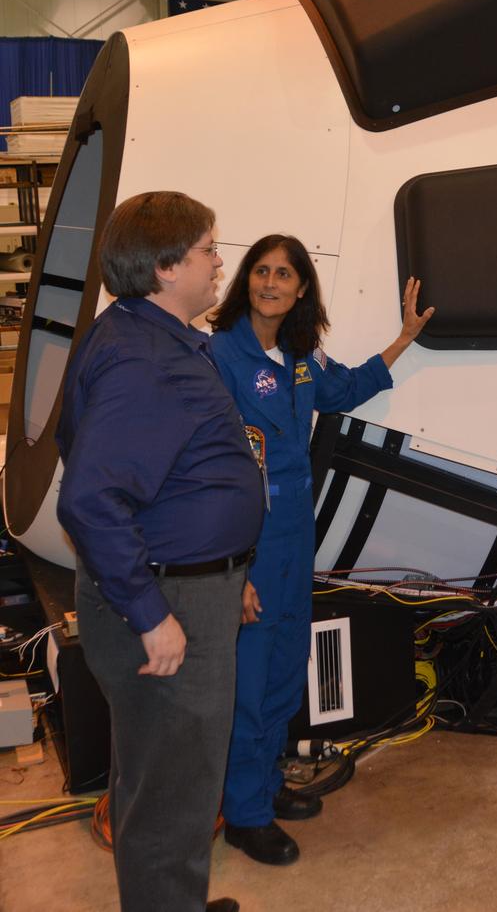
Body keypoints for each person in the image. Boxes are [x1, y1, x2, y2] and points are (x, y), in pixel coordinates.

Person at [57, 191, 263, 912]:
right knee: (172, 792)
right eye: (209, 249)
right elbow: (89, 499)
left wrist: (225, 570)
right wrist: (152, 612)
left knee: (165, 777)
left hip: (185, 584)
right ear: (168, 267)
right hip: (162, 601)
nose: (218, 263)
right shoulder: (148, 361)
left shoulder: (141, 336)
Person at [207, 234, 433, 866]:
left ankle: (267, 783)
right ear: (245, 282)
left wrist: (405, 337)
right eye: (260, 272)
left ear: (302, 288)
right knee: (251, 678)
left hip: (295, 533)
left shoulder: (303, 357)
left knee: (284, 667)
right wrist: (234, 566)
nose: (270, 283)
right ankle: (245, 815)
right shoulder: (220, 354)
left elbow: (348, 388)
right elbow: (212, 465)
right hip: (249, 526)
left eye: (284, 274)